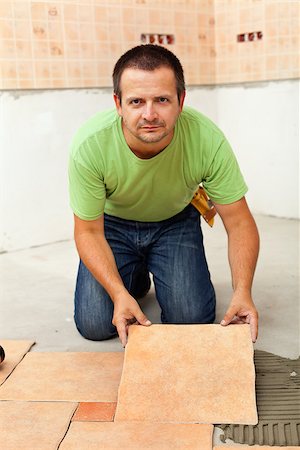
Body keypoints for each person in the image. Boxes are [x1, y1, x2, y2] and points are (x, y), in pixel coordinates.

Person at [69, 44, 259, 347]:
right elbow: (88, 230)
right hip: (113, 225)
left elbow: (239, 222)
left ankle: (142, 266)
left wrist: (243, 291)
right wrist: (119, 294)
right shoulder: (90, 144)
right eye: (136, 101)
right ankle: (135, 277)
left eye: (162, 100)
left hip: (175, 221)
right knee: (95, 324)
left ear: (180, 101)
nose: (149, 114)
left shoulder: (207, 139)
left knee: (192, 319)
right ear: (118, 104)